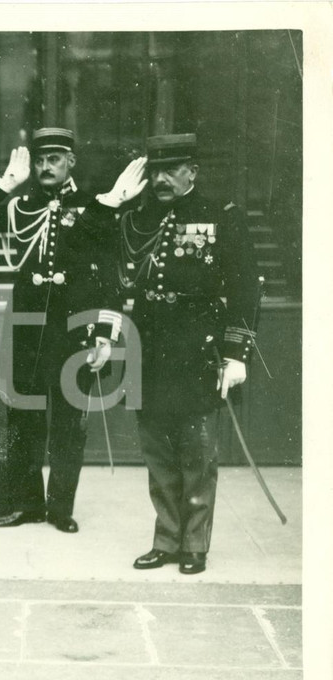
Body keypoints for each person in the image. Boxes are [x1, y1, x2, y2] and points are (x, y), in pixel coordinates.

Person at [0, 127, 147, 533]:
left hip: (73, 328)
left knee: (67, 422)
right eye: (40, 160)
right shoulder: (20, 203)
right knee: (22, 417)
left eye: (54, 159)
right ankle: (26, 504)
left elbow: (113, 275)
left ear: (70, 161)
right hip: (27, 325)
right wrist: (3, 184)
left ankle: (60, 508)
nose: (45, 167)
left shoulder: (95, 205)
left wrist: (105, 335)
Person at [122, 133, 259, 575]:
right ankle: (166, 539)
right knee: (157, 450)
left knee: (197, 451)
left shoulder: (222, 217)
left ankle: (194, 543)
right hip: (149, 346)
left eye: (170, 170)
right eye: (154, 171)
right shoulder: (138, 217)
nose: (160, 179)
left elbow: (243, 289)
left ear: (192, 172)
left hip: (198, 347)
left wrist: (237, 354)